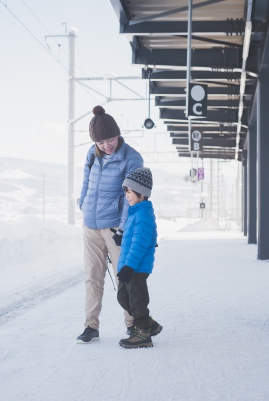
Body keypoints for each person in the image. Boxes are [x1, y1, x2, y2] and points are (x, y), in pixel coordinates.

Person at [76, 105, 143, 344]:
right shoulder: (92, 154)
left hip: (115, 226)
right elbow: (86, 180)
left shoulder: (131, 158)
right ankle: (90, 326)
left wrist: (124, 228)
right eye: (102, 142)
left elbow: (132, 197)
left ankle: (134, 325)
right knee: (92, 277)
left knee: (126, 277)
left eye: (111, 140)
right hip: (90, 226)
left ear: (118, 135)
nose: (107, 146)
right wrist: (82, 203)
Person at [116, 167, 162, 349]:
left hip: (136, 267)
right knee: (123, 297)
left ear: (141, 193)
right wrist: (121, 236)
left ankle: (143, 334)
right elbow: (132, 239)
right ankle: (149, 324)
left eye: (129, 191)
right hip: (129, 265)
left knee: (137, 299)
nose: (126, 195)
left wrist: (129, 266)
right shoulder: (135, 212)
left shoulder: (143, 214)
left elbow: (140, 244)